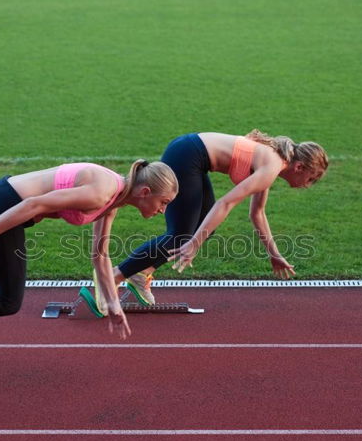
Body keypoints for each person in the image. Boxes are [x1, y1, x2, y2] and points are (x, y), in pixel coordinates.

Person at [0, 160, 178, 373]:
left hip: (7, 204)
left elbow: (99, 256)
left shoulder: (114, 198)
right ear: (145, 191)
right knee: (6, 299)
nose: (163, 210)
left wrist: (113, 305)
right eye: (163, 202)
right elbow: (35, 205)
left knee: (3, 296)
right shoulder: (101, 192)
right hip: (4, 205)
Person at [97, 130, 328, 308]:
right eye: (312, 178)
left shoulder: (272, 163)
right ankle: (112, 279)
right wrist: (194, 244)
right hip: (188, 155)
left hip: (191, 155)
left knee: (200, 230)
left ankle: (140, 272)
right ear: (299, 167)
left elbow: (256, 213)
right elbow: (225, 203)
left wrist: (274, 254)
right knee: (182, 236)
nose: (308, 185)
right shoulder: (271, 166)